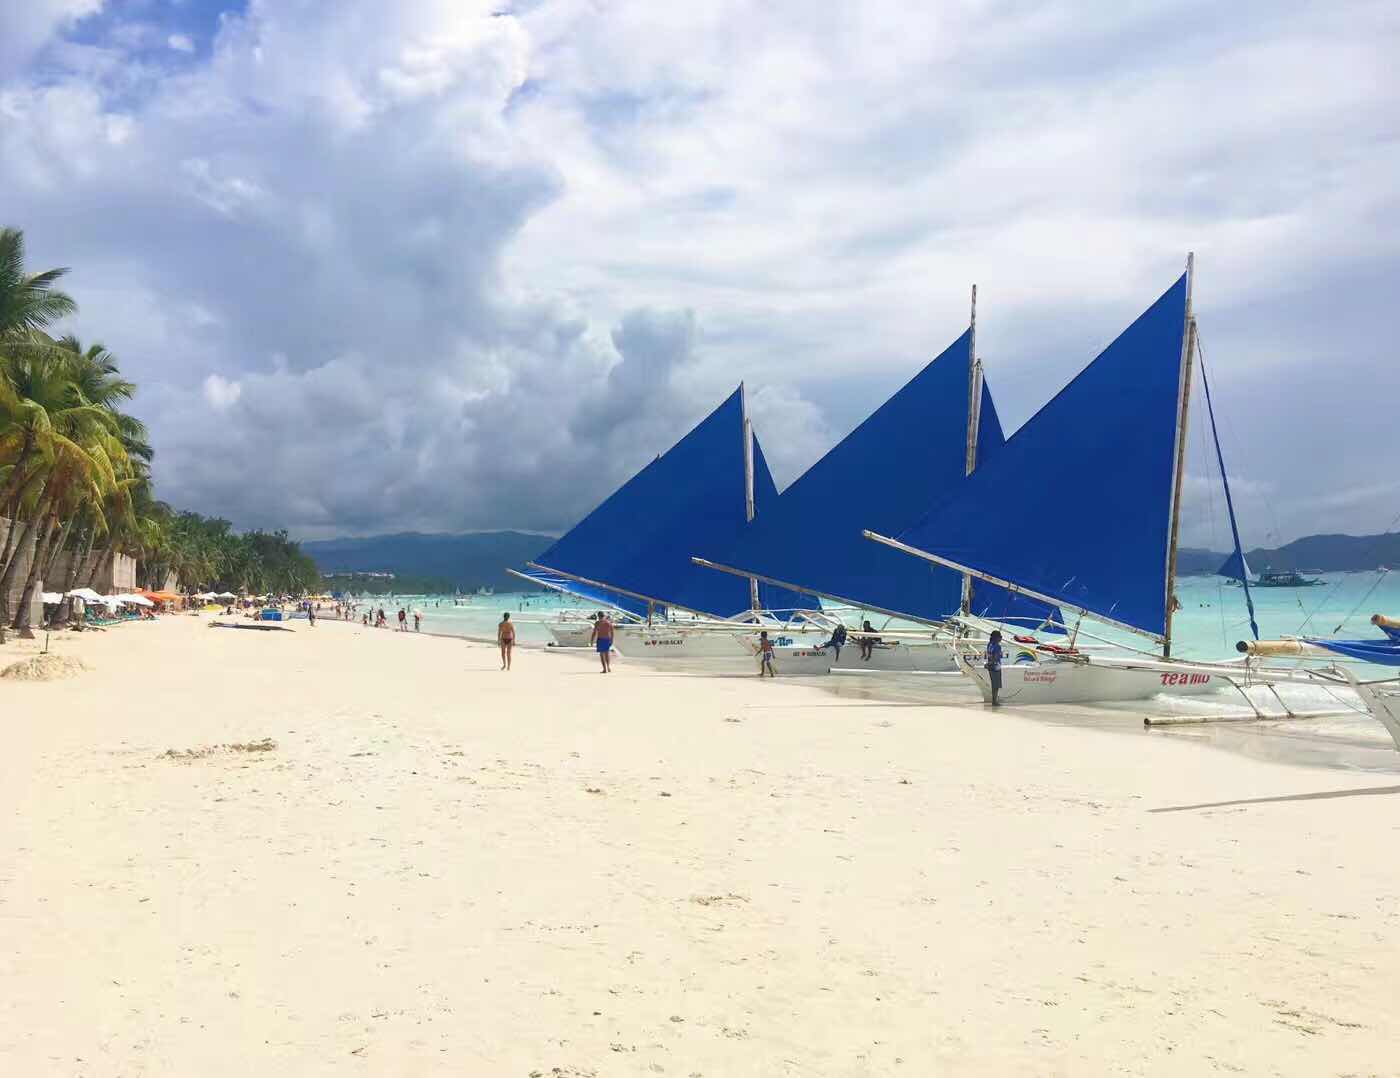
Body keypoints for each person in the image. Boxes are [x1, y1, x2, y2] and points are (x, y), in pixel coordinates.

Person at [985, 629, 1003, 707]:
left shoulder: (989, 644)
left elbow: (990, 655)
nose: (1001, 638)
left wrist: (989, 663)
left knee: (993, 684)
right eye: (1000, 637)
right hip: (996, 667)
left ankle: (994, 700)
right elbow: (996, 657)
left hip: (990, 666)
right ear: (996, 637)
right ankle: (994, 701)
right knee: (996, 685)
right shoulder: (997, 646)